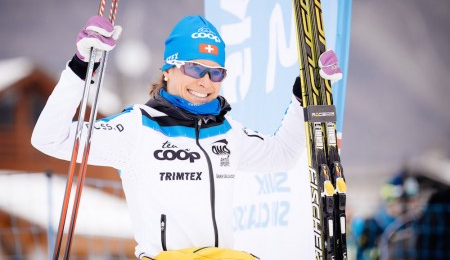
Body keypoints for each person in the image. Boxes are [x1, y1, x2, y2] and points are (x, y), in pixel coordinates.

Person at [31, 15, 342, 259]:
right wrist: (82, 66)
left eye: (216, 72)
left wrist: (303, 98)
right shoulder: (138, 127)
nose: (205, 82)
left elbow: (283, 154)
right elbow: (50, 138)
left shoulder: (227, 131)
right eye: (195, 68)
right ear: (168, 69)